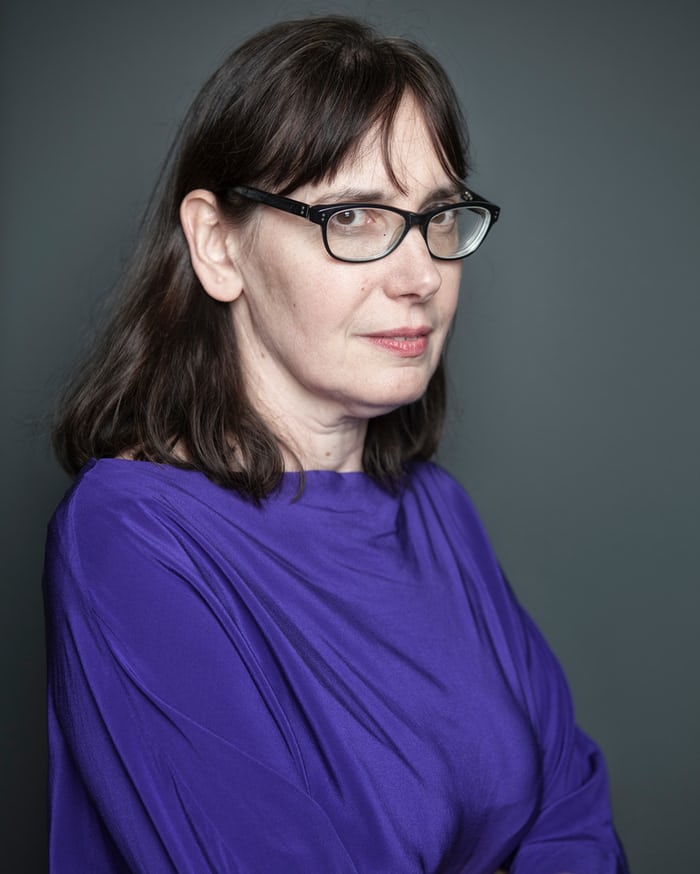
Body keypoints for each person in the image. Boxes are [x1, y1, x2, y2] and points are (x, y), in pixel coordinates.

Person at [43, 15, 628, 874]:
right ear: (217, 245)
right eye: (352, 216)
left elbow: (573, 815)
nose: (421, 275)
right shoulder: (131, 537)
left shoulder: (438, 514)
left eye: (439, 216)